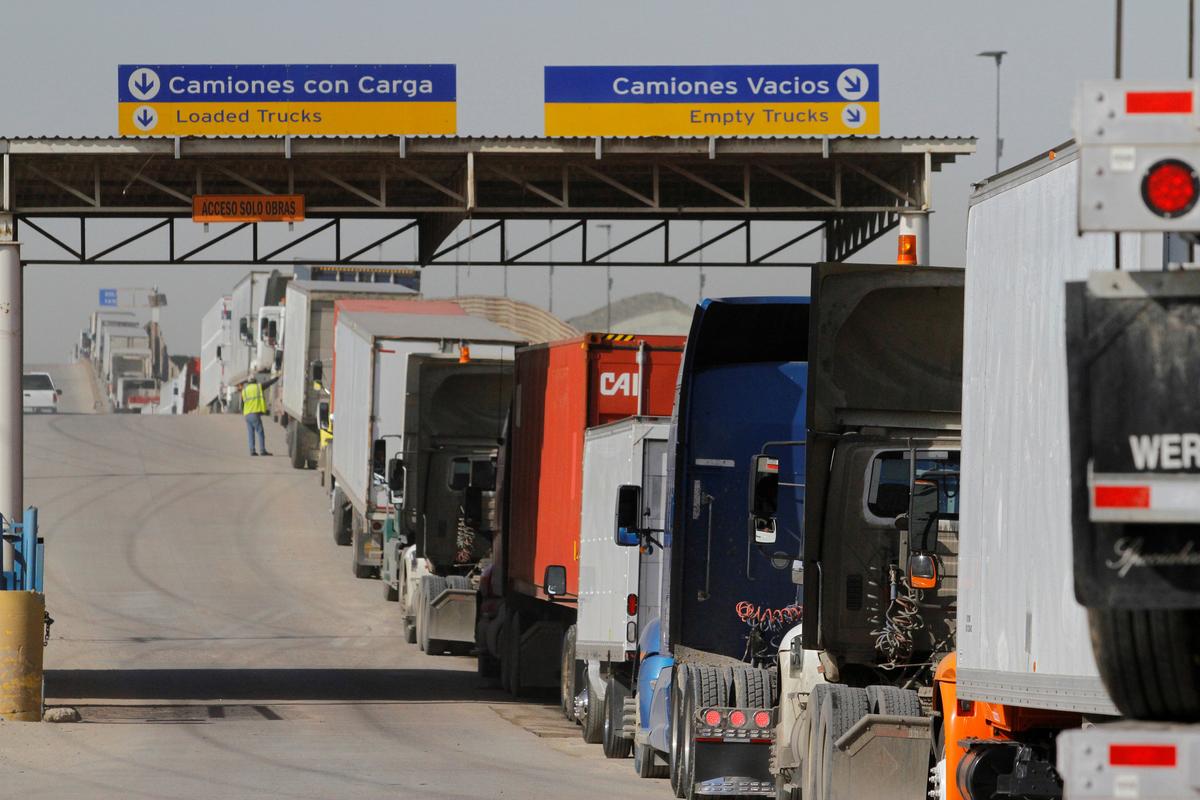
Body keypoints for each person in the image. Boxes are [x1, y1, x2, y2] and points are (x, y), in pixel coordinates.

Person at [241, 375, 278, 456]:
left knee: (251, 433)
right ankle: (262, 450)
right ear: (255, 381)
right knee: (260, 432)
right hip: (254, 414)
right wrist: (276, 378)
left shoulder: (244, 391)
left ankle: (252, 450)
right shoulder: (258, 387)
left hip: (247, 415)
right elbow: (268, 383)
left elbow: (242, 405)